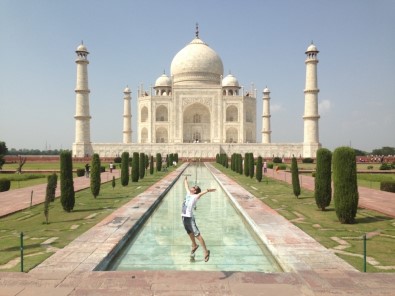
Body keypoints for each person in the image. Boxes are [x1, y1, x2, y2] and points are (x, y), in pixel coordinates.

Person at [181, 176, 216, 262]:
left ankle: (206, 251)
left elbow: (201, 193)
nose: (192, 187)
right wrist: (185, 179)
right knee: (189, 232)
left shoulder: (195, 196)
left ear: (195, 191)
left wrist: (207, 190)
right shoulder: (188, 193)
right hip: (184, 217)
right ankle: (194, 245)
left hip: (189, 217)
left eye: (194, 187)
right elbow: (186, 185)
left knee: (197, 235)